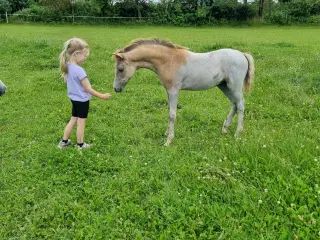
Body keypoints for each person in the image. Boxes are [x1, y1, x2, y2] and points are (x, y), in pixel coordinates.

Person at [58, 38, 111, 150]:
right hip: (82, 101)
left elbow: (67, 81)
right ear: (76, 54)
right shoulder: (79, 70)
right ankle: (80, 145)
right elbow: (87, 88)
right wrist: (102, 95)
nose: (85, 59)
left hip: (73, 99)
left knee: (73, 119)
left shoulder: (67, 66)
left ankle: (64, 142)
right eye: (84, 56)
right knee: (81, 122)